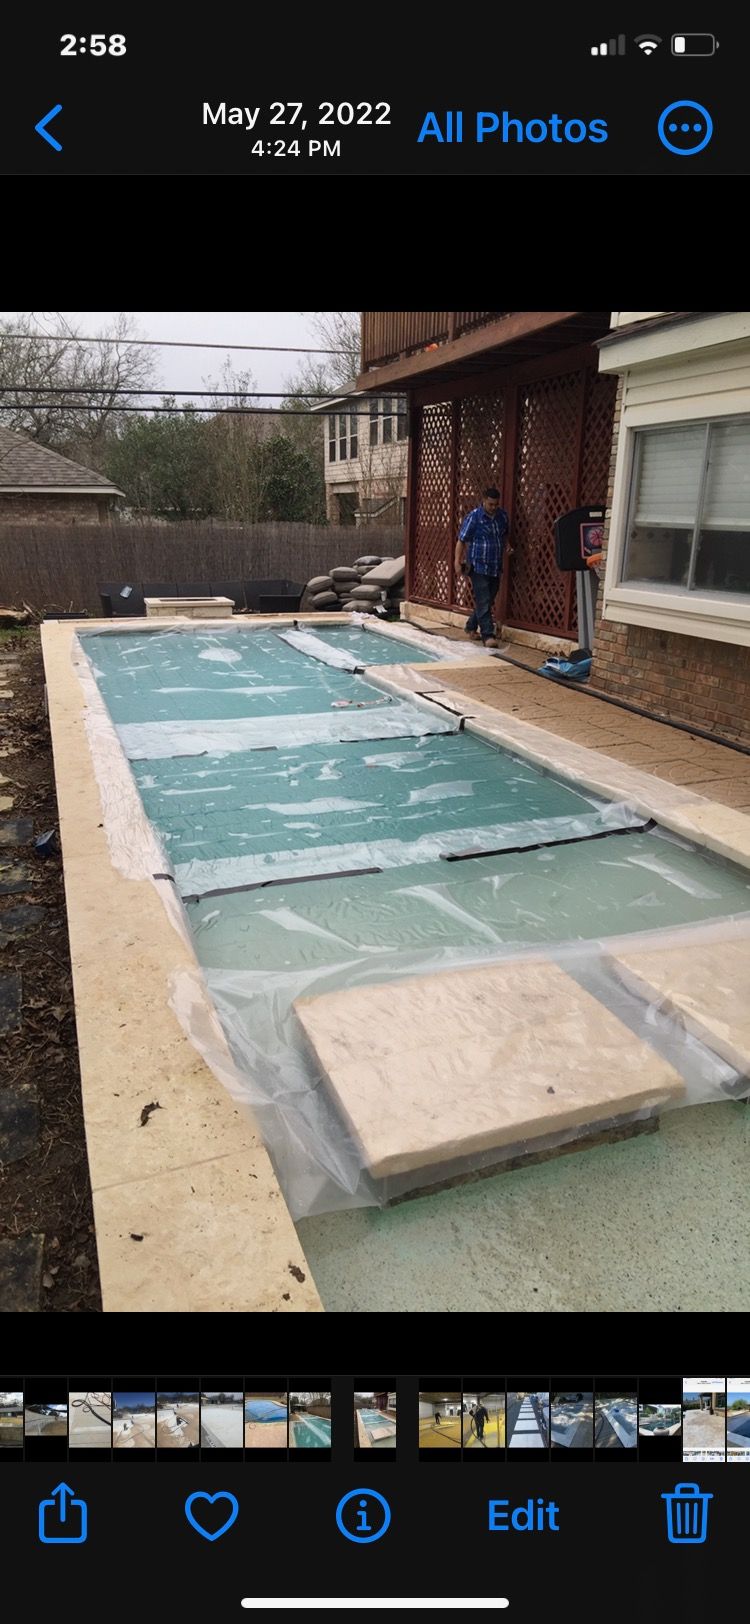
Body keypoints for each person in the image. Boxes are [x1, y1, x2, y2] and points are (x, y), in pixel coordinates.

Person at [455, 486, 511, 648]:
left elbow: (504, 534)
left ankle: (471, 626)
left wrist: (507, 546)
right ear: (484, 501)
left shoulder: (502, 516)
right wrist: (457, 562)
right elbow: (461, 540)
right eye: (490, 504)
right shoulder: (474, 517)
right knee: (484, 599)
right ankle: (488, 635)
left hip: (495, 565)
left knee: (487, 600)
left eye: (496, 504)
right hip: (478, 565)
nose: (493, 507)